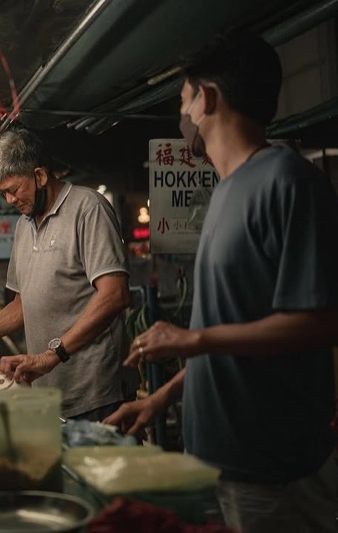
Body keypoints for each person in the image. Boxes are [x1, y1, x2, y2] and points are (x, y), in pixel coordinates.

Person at [103, 33, 338, 533]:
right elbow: (230, 331)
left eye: (183, 101)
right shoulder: (227, 191)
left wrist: (190, 339)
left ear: (207, 99)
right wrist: (163, 397)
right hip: (216, 457)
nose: (182, 116)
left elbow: (319, 323)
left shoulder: (288, 181)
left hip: (272, 466)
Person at [0, 126, 137, 421]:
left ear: (40, 176)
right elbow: (22, 305)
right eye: (3, 193)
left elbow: (115, 295)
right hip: (47, 393)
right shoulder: (24, 225)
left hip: (96, 393)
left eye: (13, 189)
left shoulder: (88, 209)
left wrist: (51, 356)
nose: (9, 200)